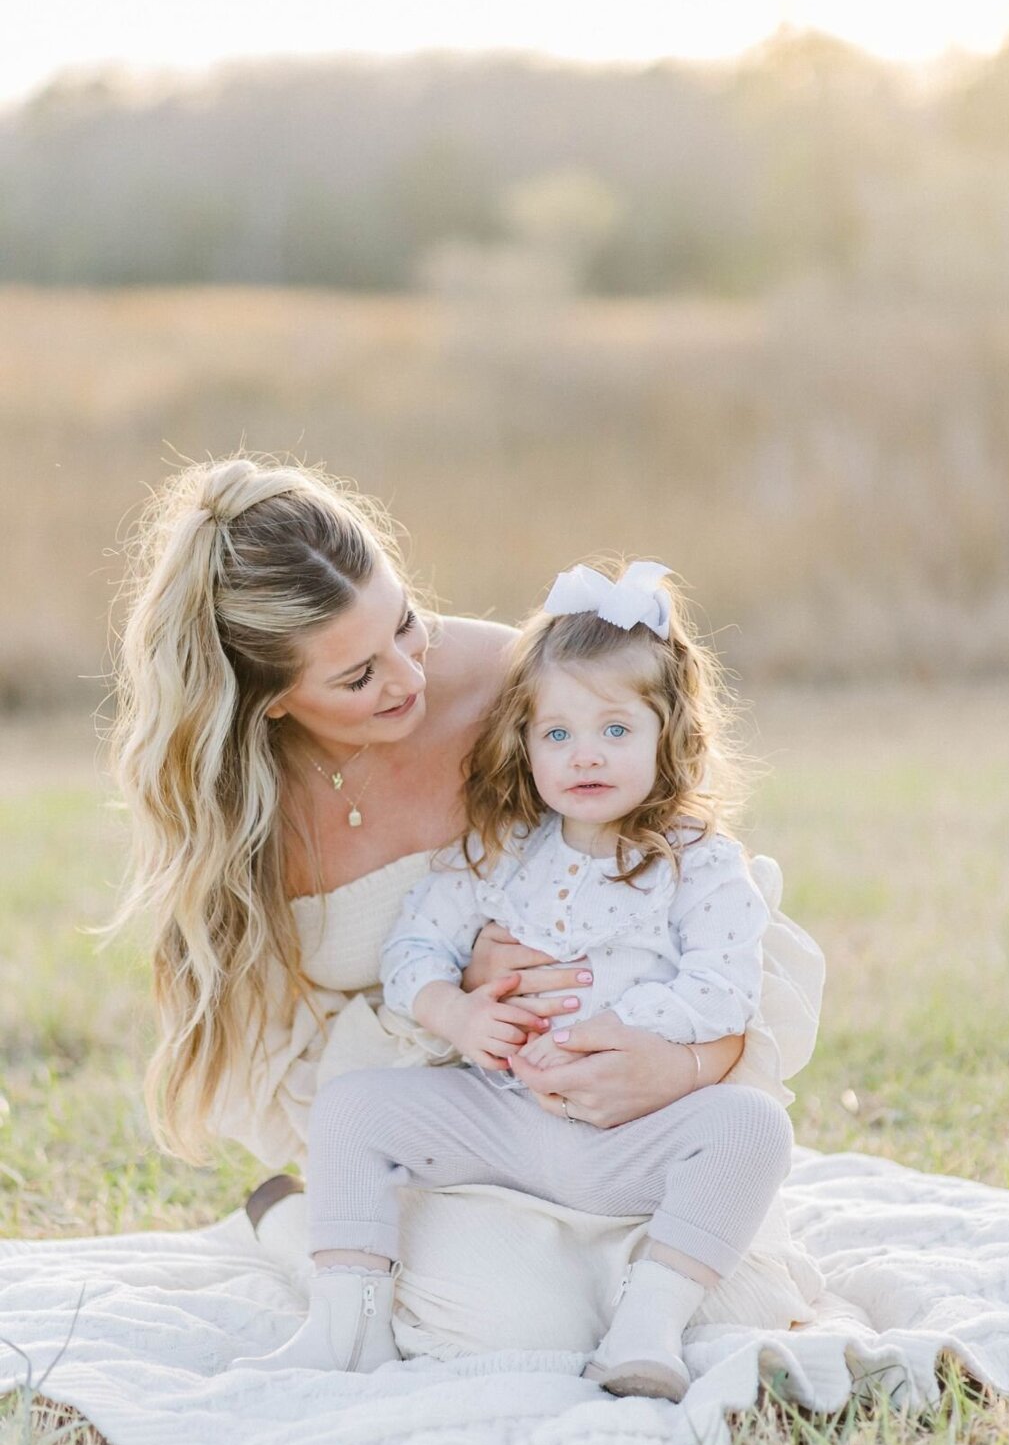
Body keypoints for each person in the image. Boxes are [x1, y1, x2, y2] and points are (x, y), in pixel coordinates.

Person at [110, 455, 825, 1363]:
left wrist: (683, 1063)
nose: (409, 674)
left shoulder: (521, 686)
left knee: (740, 1314)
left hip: (629, 1098)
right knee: (515, 1327)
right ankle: (311, 1246)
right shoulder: (236, 807)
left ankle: (633, 1295)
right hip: (450, 1110)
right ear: (275, 699)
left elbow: (701, 907)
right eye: (359, 676)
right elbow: (287, 1059)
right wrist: (453, 1001)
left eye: (407, 624)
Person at [233, 561, 797, 1398]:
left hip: (630, 1130)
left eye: (616, 729)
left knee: (753, 1130)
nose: (585, 757)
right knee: (350, 1109)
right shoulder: (502, 853)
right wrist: (457, 1015)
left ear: (666, 735)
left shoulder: (697, 864)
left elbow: (725, 988)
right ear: (525, 742)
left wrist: (632, 1036)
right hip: (503, 1120)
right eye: (558, 734)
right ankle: (344, 1331)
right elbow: (412, 952)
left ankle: (646, 1334)